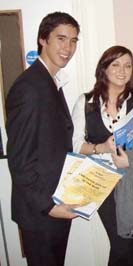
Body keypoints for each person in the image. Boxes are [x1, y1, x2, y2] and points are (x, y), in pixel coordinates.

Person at [5, 12, 80, 266]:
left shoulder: (48, 81)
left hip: (54, 202)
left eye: (73, 40)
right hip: (41, 211)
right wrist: (49, 206)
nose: (67, 48)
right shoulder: (30, 87)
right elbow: (19, 160)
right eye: (60, 39)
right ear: (42, 40)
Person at [71, 45, 133, 265]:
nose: (122, 70)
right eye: (115, 64)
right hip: (103, 181)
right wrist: (101, 147)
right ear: (104, 69)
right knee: (120, 244)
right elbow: (76, 145)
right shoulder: (85, 102)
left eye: (128, 65)